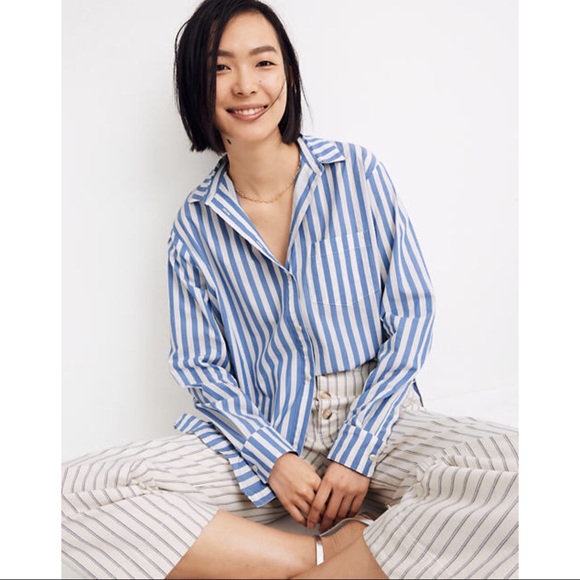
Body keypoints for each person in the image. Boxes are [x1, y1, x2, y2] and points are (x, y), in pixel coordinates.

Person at [61, 0, 519, 578]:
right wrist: (273, 457)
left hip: (379, 420)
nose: (245, 85)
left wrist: (356, 450)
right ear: (196, 88)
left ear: (289, 75)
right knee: (69, 494)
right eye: (220, 67)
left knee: (525, 472)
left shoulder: (357, 173)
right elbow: (201, 367)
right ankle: (322, 555)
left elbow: (411, 318)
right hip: (263, 431)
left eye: (263, 62)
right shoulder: (194, 226)